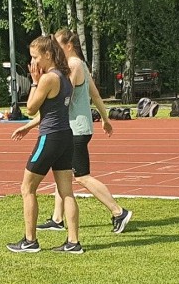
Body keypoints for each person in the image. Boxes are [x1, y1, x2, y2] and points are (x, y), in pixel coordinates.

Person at [30, 29, 132, 234]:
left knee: (81, 176)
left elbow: (61, 103)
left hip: (74, 128)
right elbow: (94, 93)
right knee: (63, 175)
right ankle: (58, 218)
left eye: (58, 45)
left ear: (69, 46)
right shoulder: (81, 65)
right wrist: (104, 119)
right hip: (79, 126)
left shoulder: (73, 65)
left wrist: (30, 124)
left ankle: (118, 211)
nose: (55, 50)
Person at [9, 35, 82, 254]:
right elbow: (54, 110)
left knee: (27, 188)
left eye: (35, 57)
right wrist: (29, 127)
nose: (33, 63)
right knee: (67, 191)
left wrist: (33, 81)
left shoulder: (48, 78)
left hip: (49, 137)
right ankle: (73, 242)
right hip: (64, 136)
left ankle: (30, 241)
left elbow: (30, 107)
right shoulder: (65, 75)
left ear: (47, 55)